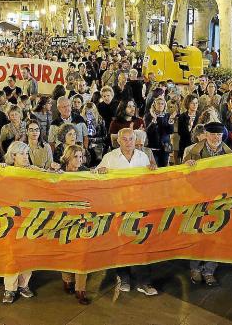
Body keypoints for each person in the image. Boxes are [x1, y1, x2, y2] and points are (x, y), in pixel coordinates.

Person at [96, 128, 158, 296]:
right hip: (118, 207)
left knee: (142, 243)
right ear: (118, 141)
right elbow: (96, 178)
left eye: (131, 139)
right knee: (121, 243)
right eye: (125, 139)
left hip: (139, 207)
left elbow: (151, 182)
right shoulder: (109, 158)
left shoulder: (142, 157)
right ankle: (124, 277)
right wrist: (100, 172)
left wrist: (153, 170)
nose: (129, 142)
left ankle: (145, 282)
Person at [184, 122, 232, 286]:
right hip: (198, 200)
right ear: (205, 134)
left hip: (220, 201)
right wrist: (187, 167)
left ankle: (209, 269)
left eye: (219, 135)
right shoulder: (193, 152)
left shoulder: (229, 153)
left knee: (216, 236)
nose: (216, 138)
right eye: (212, 135)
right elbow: (181, 176)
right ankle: (195, 268)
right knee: (197, 234)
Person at [1, 141, 37, 304]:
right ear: (13, 155)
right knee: (11, 254)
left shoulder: (34, 171)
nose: (25, 157)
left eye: (27, 153)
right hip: (11, 219)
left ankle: (24, 284)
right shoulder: (5, 171)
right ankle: (10, 288)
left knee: (28, 252)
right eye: (22, 153)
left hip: (31, 218)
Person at [58, 144, 91, 305]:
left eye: (81, 157)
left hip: (82, 218)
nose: (79, 160)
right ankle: (67, 280)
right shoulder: (59, 172)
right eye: (75, 157)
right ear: (68, 158)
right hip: (63, 218)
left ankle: (81, 289)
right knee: (66, 250)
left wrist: (101, 172)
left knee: (82, 253)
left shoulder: (86, 171)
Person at [145, 96, 175, 167]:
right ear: (154, 105)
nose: (160, 105)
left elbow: (170, 131)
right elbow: (148, 131)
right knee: (154, 166)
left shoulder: (168, 116)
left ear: (165, 105)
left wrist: (170, 121)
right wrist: (154, 121)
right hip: (153, 146)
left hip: (165, 146)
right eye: (158, 103)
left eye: (162, 104)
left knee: (164, 167)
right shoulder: (148, 116)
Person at [178, 94, 199, 161]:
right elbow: (180, 132)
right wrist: (189, 127)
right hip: (185, 145)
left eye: (196, 103)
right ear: (188, 104)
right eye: (192, 103)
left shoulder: (200, 116)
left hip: (197, 147)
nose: (195, 105)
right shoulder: (182, 116)